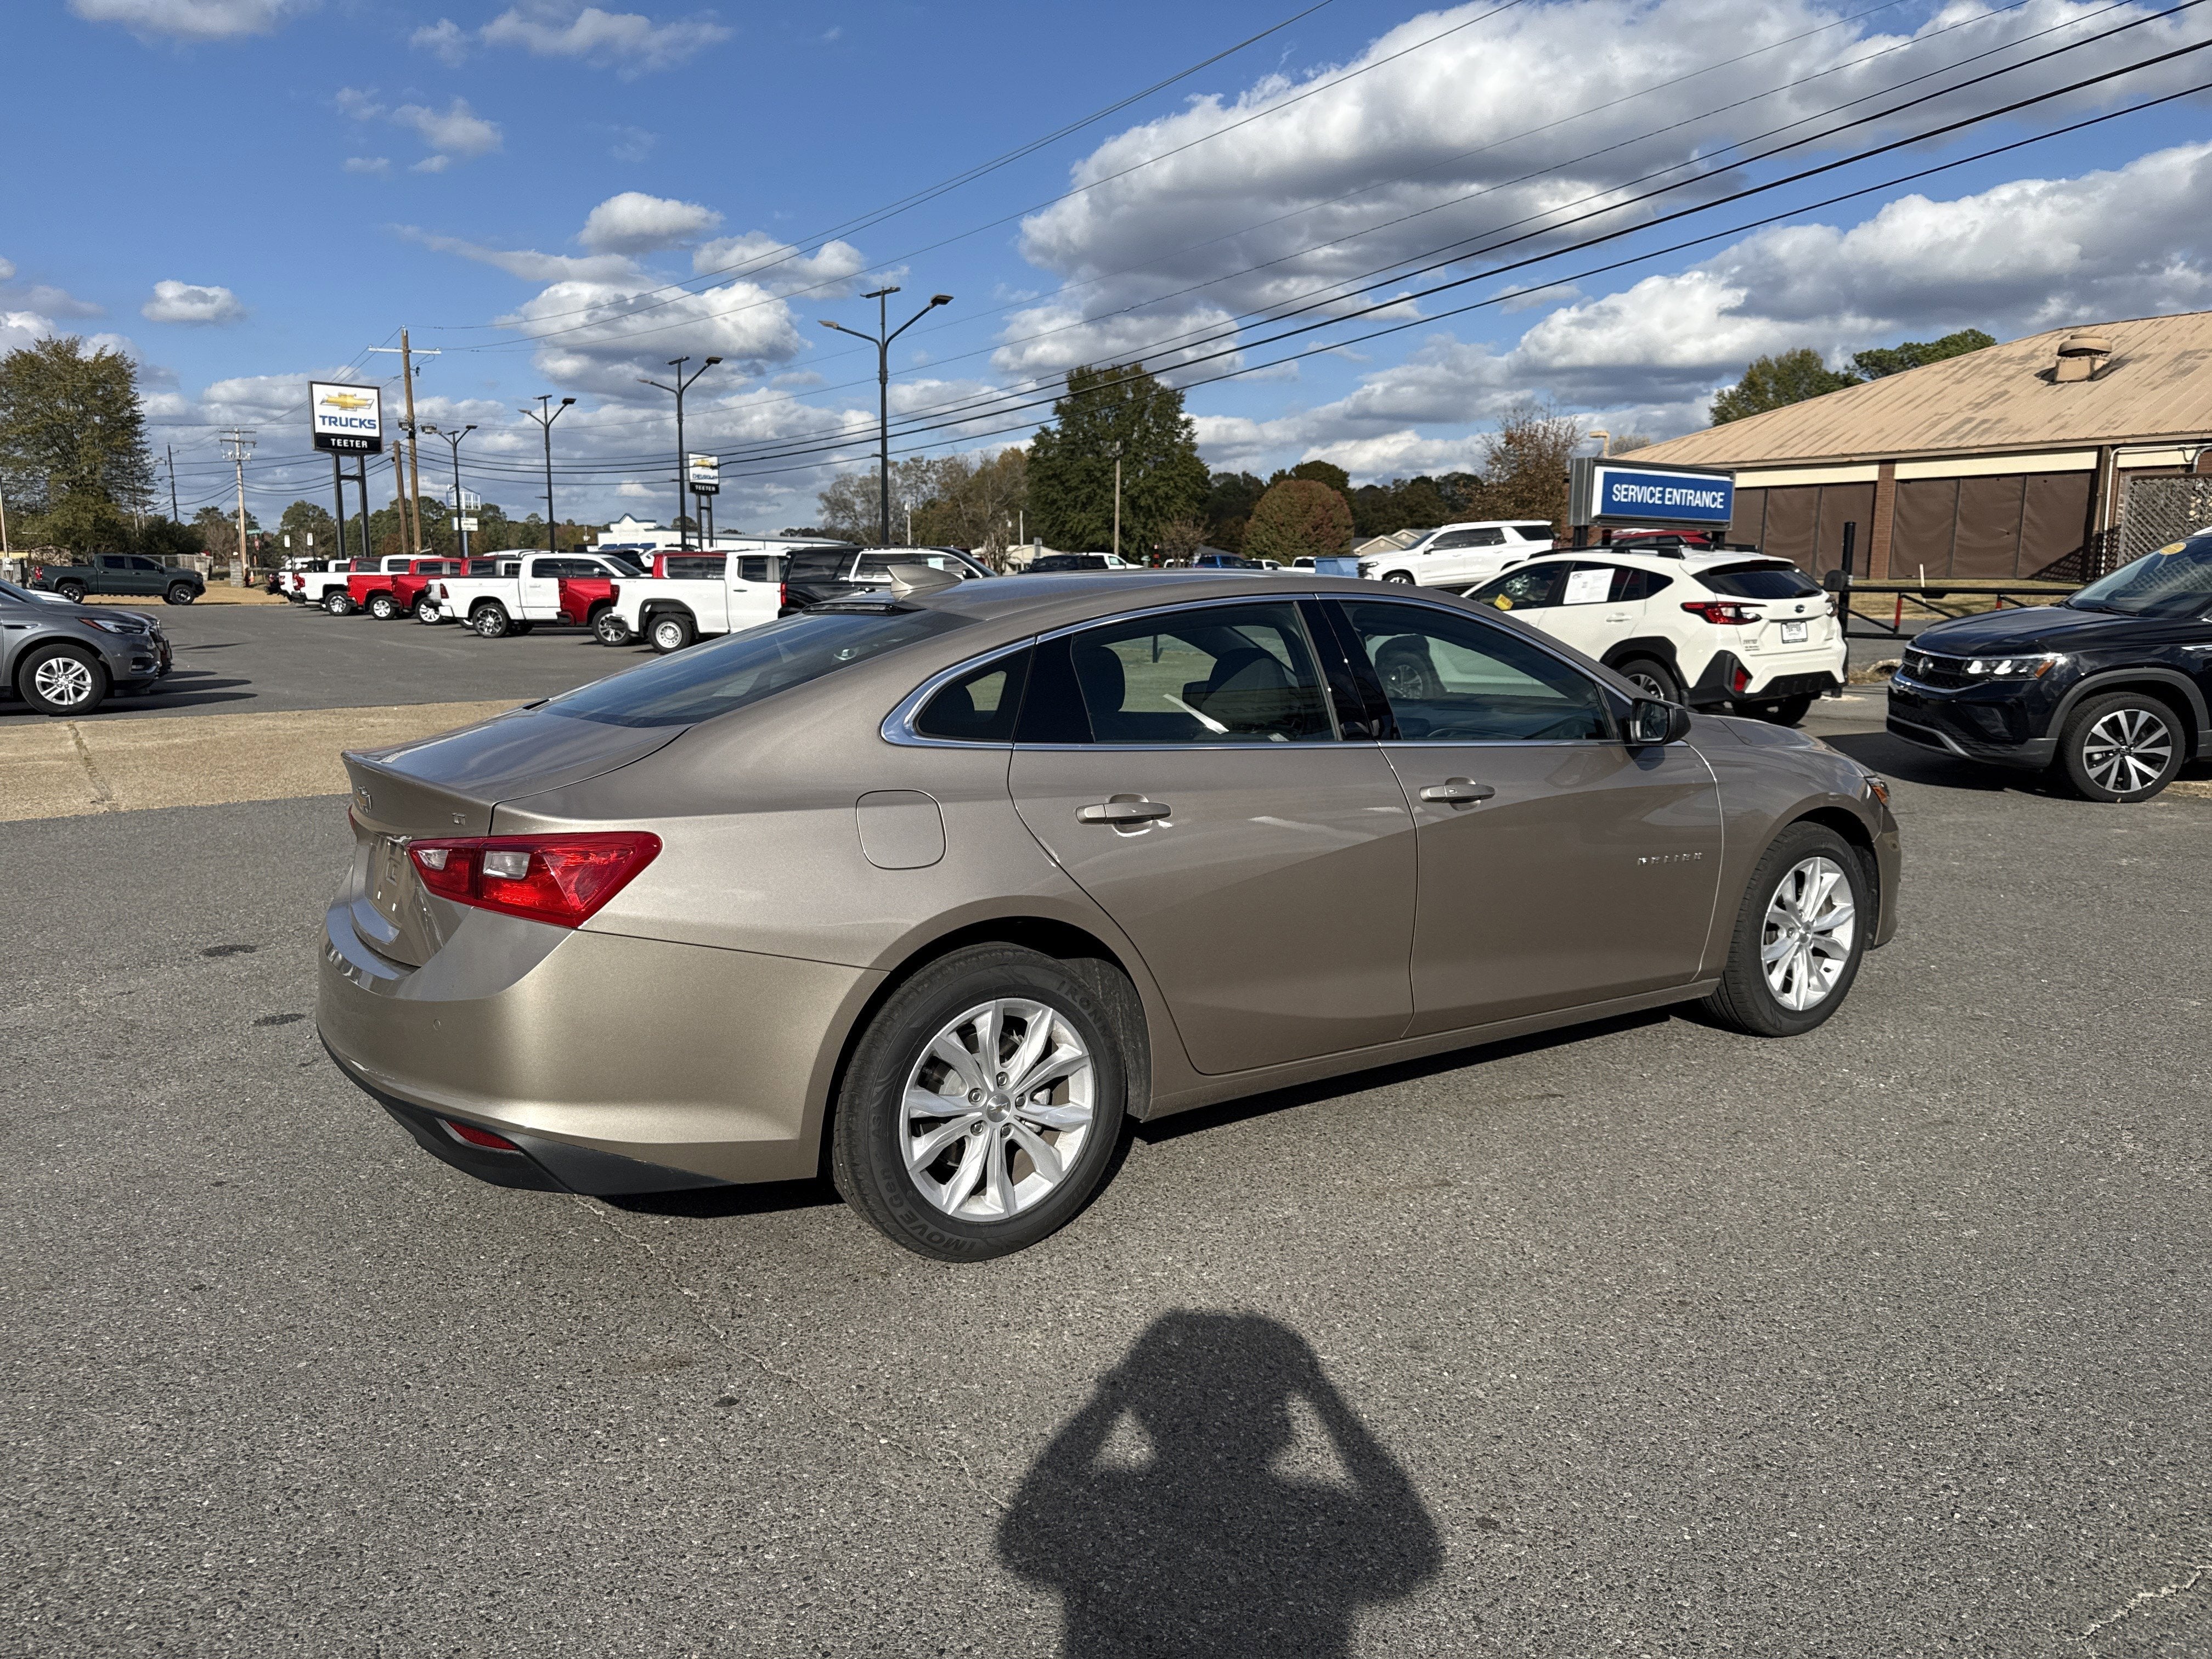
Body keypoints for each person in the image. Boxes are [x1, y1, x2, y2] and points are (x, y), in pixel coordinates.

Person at [999, 1311, 1441, 1657]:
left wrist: (1112, 1397)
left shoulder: (1112, 1496)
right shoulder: (1321, 1510)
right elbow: (1410, 1553)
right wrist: (1322, 1394)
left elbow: (1021, 1539)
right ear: (1281, 1430)